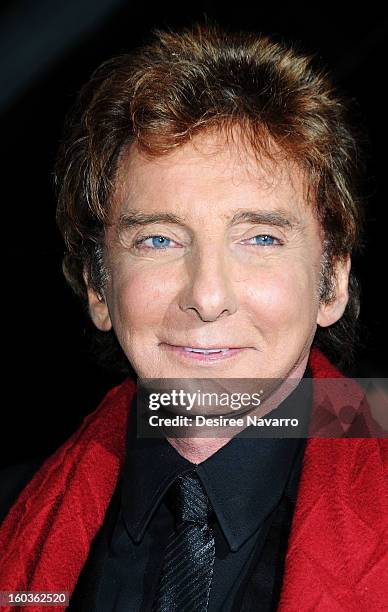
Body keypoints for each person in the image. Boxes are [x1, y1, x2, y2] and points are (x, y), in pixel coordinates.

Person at [0, 22, 387, 612]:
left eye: (259, 238)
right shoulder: (11, 513)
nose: (207, 297)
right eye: (159, 240)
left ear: (331, 281)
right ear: (98, 287)